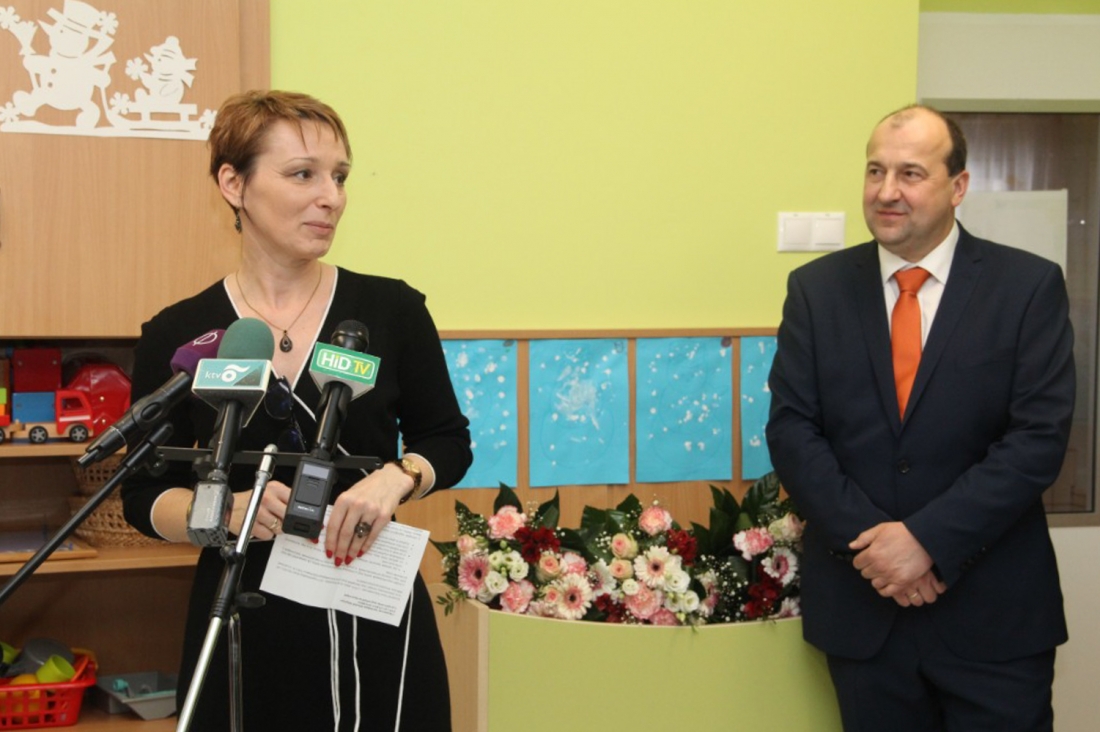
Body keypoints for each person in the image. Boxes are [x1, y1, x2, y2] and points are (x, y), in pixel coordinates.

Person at [121, 90, 471, 731]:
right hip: (243, 617)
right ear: (234, 183)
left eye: (340, 176)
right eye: (303, 174)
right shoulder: (181, 331)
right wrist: (215, 512)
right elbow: (142, 495)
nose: (331, 196)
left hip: (370, 604)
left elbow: (447, 440)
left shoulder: (391, 310)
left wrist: (396, 478)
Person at [766, 105, 1075, 731]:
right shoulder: (816, 290)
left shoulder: (1027, 287)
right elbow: (792, 431)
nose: (887, 191)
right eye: (875, 171)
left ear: (958, 187)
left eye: (910, 173)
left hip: (994, 617)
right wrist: (881, 551)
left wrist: (927, 541)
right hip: (865, 613)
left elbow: (1037, 440)